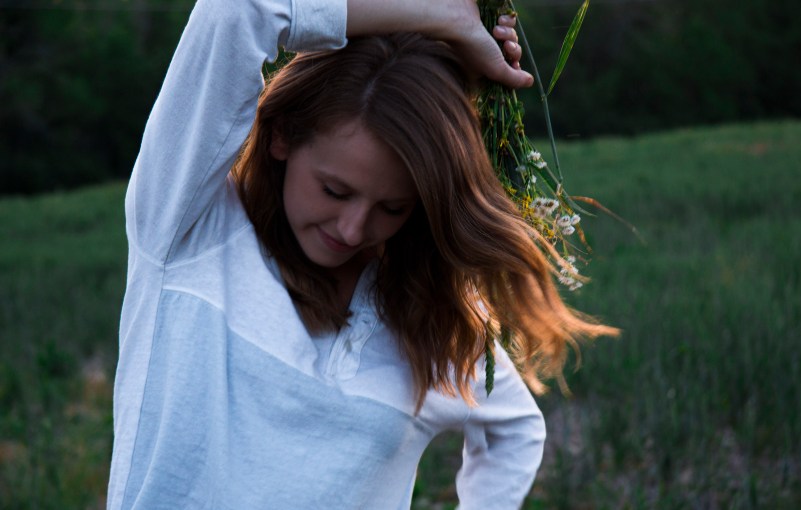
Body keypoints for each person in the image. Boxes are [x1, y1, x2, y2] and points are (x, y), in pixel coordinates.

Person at [108, 0, 615, 508]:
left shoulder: (423, 316)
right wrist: (442, 16)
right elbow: (238, 9)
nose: (353, 230)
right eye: (334, 190)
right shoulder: (188, 232)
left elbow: (516, 429)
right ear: (282, 136)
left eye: (392, 207)